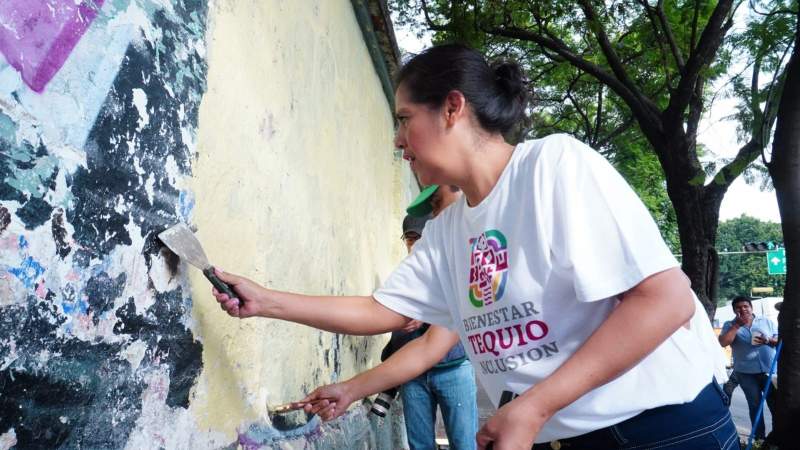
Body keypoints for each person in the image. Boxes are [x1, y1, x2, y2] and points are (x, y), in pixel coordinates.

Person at [212, 44, 736, 450]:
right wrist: (266, 301)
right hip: (563, 437)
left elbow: (664, 300)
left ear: (452, 108)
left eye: (402, 119)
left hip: (662, 427)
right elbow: (383, 309)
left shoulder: (554, 167)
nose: (397, 140)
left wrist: (532, 407)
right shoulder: (446, 231)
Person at [374, 209, 478, 450]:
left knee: (465, 444)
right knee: (419, 445)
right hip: (414, 377)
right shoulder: (405, 278)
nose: (414, 245)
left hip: (454, 370)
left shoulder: (456, 269)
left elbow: (465, 315)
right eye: (409, 239)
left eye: (419, 239)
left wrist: (425, 316)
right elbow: (392, 329)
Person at [718, 296, 779, 440]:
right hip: (746, 373)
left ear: (751, 307)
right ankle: (759, 438)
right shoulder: (730, 324)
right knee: (755, 406)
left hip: (769, 371)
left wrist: (768, 341)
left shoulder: (765, 321)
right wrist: (736, 326)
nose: (743, 309)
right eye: (738, 307)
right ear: (734, 310)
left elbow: (779, 339)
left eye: (745, 306)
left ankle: (778, 436)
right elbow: (723, 342)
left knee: (776, 404)